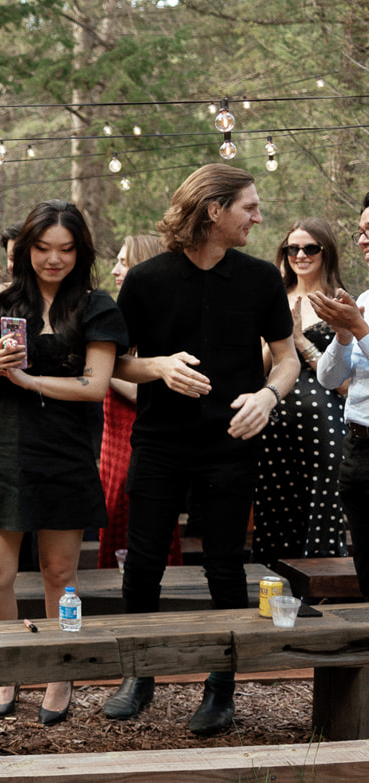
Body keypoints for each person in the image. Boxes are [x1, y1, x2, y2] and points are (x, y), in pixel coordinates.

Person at [108, 164, 298, 735]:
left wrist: (267, 397)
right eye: (249, 207)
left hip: (231, 443)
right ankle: (138, 673)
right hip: (161, 443)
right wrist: (160, 367)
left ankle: (221, 688)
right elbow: (116, 362)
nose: (259, 218)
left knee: (224, 565)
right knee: (142, 565)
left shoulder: (262, 278)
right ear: (214, 210)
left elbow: (287, 359)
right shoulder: (145, 281)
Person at [0, 201, 128, 725]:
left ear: (81, 251)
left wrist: (30, 381)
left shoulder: (95, 305)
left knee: (60, 573)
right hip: (4, 446)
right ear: (26, 249)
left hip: (65, 450)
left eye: (66, 249)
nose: (54, 259)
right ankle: (6, 666)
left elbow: (96, 385)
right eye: (44, 248)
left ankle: (60, 667)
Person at [250, 218, 350, 562]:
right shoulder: (272, 298)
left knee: (322, 508)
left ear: (326, 252)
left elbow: (346, 383)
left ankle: (324, 592)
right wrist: (276, 335)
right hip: (276, 423)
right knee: (275, 509)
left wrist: (298, 341)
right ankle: (272, 590)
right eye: (292, 248)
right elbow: (259, 368)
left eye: (310, 248)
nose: (300, 255)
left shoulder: (340, 302)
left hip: (326, 426)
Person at [98, 235, 181, 570]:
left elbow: (140, 390)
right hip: (111, 440)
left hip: (141, 438)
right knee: (112, 523)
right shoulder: (117, 311)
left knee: (139, 523)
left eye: (124, 261)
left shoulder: (159, 317)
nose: (117, 269)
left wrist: (95, 367)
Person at [308, 192, 369, 599]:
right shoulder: (364, 300)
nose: (363, 241)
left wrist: (360, 330)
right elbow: (330, 379)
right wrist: (344, 333)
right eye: (362, 232)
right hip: (359, 451)